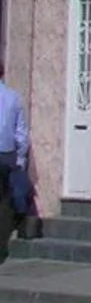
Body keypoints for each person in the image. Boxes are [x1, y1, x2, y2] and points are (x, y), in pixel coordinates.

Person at [0, 64, 28, 229]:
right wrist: (21, 158)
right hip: (6, 155)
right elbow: (21, 133)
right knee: (5, 199)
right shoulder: (13, 97)